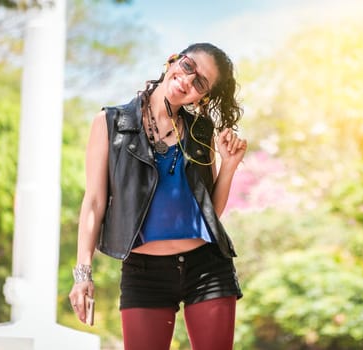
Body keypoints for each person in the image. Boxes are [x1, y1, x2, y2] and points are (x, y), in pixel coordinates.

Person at [68, 42, 247, 350]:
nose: (188, 80)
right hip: (144, 273)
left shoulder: (200, 131)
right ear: (172, 61)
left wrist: (229, 167)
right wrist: (83, 273)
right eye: (188, 66)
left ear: (203, 96)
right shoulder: (110, 123)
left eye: (200, 82)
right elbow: (95, 202)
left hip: (207, 267)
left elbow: (207, 214)